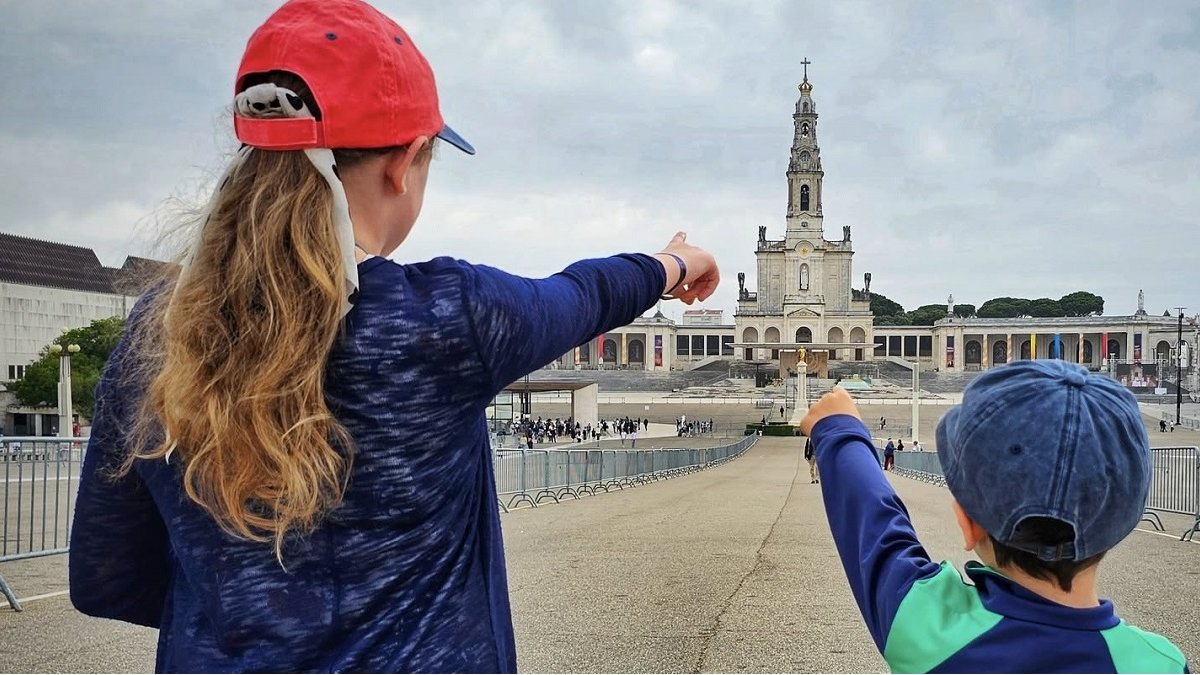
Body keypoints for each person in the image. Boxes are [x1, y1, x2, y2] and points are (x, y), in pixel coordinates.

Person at [66, 2, 720, 672]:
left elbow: (104, 577)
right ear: (404, 163)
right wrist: (674, 265)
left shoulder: (161, 333)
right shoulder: (449, 317)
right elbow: (584, 294)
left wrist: (241, 612)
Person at [801, 362, 1188, 673]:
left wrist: (840, 428)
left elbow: (876, 526)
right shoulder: (1163, 663)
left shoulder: (930, 632)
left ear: (968, 524)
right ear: (1121, 524)